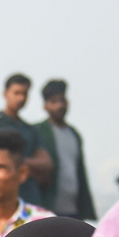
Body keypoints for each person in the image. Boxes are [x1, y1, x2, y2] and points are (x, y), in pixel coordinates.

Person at [0, 74, 53, 207]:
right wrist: (29, 165)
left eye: (25, 94)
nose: (21, 98)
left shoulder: (29, 129)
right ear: (5, 94)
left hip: (30, 198)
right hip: (3, 197)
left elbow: (46, 164)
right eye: (17, 93)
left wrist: (19, 162)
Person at [33, 80, 95, 220]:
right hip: (47, 206)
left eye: (62, 100)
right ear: (45, 106)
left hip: (73, 208)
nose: (60, 105)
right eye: (54, 101)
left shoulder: (73, 134)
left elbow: (80, 173)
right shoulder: (38, 132)